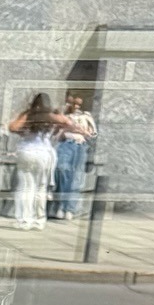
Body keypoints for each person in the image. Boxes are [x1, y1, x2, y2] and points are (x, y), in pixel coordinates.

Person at [8, 93, 57, 230]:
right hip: (44, 154)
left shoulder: (29, 114)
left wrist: (22, 130)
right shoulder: (51, 116)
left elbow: (13, 127)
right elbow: (67, 122)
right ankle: (39, 221)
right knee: (41, 188)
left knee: (26, 187)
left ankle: (25, 220)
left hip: (27, 152)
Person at [51, 91, 96, 220]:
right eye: (73, 103)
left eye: (78, 104)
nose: (76, 107)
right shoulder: (64, 115)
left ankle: (69, 208)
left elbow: (92, 134)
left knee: (76, 176)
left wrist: (80, 130)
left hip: (80, 145)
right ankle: (60, 205)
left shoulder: (86, 117)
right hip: (65, 144)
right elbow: (55, 133)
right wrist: (65, 129)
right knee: (62, 172)